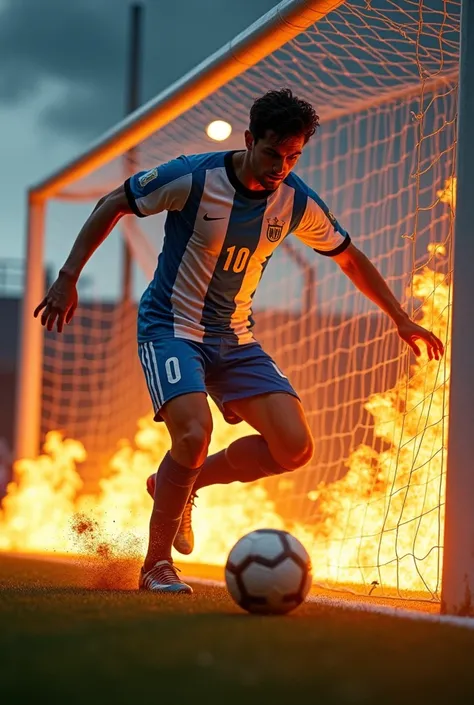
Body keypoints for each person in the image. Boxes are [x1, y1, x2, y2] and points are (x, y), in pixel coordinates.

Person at [34, 88, 444, 594]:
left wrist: (400, 317)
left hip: (235, 338)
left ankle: (180, 487)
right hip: (170, 327)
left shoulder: (296, 201)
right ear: (250, 139)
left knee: (294, 448)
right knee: (193, 435)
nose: (281, 166)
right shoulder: (194, 177)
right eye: (273, 153)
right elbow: (112, 203)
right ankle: (156, 566)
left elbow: (349, 258)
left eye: (294, 156)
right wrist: (68, 276)